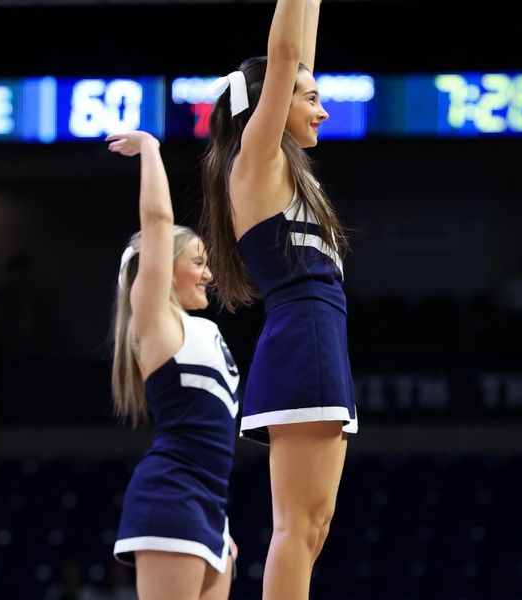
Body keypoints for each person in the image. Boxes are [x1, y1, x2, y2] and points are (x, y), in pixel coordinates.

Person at [200, 0, 357, 597]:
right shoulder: (255, 160)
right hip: (304, 341)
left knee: (311, 529)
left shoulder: (280, 165)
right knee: (300, 528)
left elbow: (297, 59)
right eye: (309, 98)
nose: (323, 107)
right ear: (273, 105)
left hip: (314, 340)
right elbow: (287, 56)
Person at [106, 130, 239, 600]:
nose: (209, 273)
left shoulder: (205, 330)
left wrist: (221, 523)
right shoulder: (157, 321)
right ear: (164, 269)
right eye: (198, 261)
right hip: (172, 495)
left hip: (212, 505)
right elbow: (159, 221)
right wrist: (150, 149)